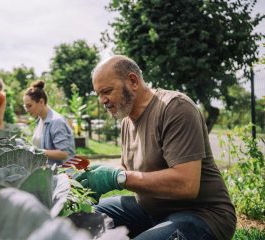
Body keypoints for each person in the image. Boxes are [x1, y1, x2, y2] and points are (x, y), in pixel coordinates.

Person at [76, 55, 236, 240]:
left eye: (107, 91)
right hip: (151, 210)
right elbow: (127, 170)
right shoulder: (127, 121)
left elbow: (186, 184)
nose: (102, 100)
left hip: (201, 214)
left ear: (133, 81)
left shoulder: (175, 108)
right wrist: (103, 174)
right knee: (81, 219)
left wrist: (118, 178)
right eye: (99, 94)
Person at [23, 80, 75, 166]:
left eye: (29, 106)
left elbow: (64, 153)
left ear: (41, 102)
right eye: (25, 106)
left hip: (62, 174)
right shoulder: (40, 121)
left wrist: (36, 151)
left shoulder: (56, 121)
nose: (27, 110)